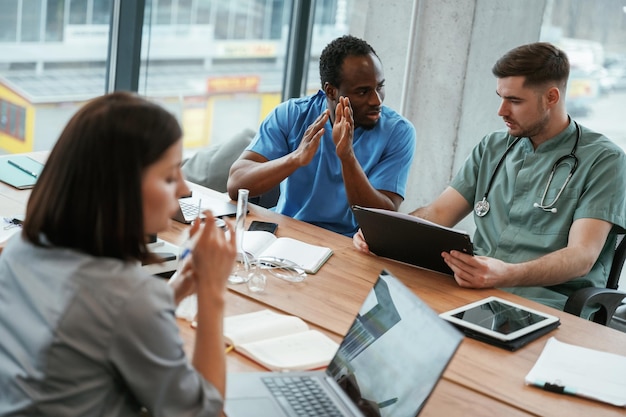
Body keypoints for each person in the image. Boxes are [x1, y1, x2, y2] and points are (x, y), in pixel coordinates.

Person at [0, 92, 237, 416]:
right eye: (169, 177)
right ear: (120, 187)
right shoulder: (127, 297)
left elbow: (99, 326)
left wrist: (176, 289)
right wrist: (212, 292)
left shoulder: (20, 249)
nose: (184, 189)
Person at [354, 42, 626, 312]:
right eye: (500, 97)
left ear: (551, 98)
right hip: (475, 293)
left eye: (515, 101)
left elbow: (582, 257)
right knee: (372, 311)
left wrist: (506, 274)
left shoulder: (604, 160)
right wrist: (384, 234)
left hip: (546, 305)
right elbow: (438, 213)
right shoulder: (493, 147)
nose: (501, 111)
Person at [227, 35, 416, 236]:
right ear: (331, 91)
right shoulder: (291, 114)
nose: (376, 100)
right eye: (363, 92)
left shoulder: (398, 132)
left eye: (379, 87)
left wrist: (347, 157)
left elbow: (382, 221)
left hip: (350, 245)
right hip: (287, 233)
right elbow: (236, 185)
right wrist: (295, 158)